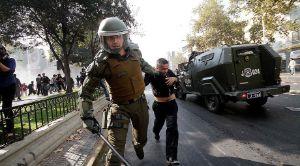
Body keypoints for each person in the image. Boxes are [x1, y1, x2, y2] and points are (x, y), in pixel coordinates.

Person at [79, 17, 156, 166]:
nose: (114, 41)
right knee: (115, 153)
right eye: (110, 38)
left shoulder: (134, 51)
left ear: (124, 36)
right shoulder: (101, 63)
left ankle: (137, 144)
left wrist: (155, 72)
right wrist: (87, 116)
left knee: (142, 139)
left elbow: (143, 63)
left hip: (140, 103)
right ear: (104, 40)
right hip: (119, 108)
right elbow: (85, 92)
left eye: (118, 36)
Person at [144, 58, 180, 165]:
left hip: (171, 104)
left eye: (167, 68)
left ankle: (171, 158)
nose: (166, 71)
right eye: (163, 69)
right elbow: (141, 84)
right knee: (158, 124)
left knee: (172, 129)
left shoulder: (169, 72)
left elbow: (178, 81)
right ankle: (156, 132)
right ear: (157, 68)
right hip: (159, 105)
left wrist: (175, 79)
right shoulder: (151, 74)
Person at [0, 44, 16, 135]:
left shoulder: (11, 60)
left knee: (6, 107)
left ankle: (10, 130)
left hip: (9, 86)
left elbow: (8, 70)